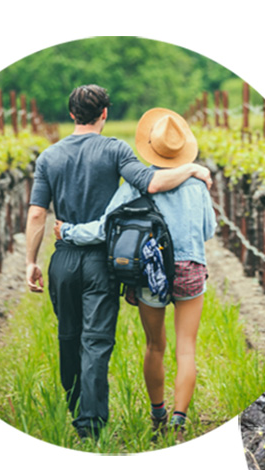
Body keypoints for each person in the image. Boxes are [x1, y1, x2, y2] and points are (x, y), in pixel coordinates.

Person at [25, 85, 211, 440]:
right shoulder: (118, 151)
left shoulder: (48, 157)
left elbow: (39, 215)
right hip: (127, 263)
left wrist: (33, 259)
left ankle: (84, 411)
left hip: (75, 260)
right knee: (105, 341)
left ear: (71, 114)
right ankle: (119, 423)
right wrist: (191, 170)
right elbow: (165, 194)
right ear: (105, 114)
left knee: (76, 337)